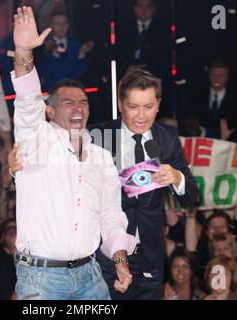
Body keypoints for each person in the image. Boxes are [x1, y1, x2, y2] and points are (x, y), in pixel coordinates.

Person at [10, 6, 136, 300]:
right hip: (41, 280)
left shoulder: (102, 159)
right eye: (68, 102)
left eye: (83, 102)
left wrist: (120, 263)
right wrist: (23, 51)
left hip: (90, 278)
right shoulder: (36, 141)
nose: (78, 107)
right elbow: (28, 102)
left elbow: (111, 216)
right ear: (50, 111)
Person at [89, 68, 199, 300]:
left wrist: (176, 177)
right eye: (133, 107)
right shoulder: (98, 136)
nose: (141, 116)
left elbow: (192, 196)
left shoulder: (166, 137)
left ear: (158, 105)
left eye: (148, 107)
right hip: (108, 253)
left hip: (150, 254)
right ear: (120, 104)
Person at [38, 11, 94, 90]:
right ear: (51, 26)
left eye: (64, 23)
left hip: (72, 90)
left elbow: (81, 73)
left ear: (68, 25)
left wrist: (81, 53)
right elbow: (43, 72)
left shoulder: (76, 44)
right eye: (57, 23)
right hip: (52, 91)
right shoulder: (44, 45)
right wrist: (51, 53)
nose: (61, 27)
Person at [193, 60, 237, 141]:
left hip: (228, 146)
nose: (217, 79)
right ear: (209, 76)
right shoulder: (198, 98)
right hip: (203, 145)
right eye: (213, 75)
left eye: (221, 75)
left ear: (227, 78)